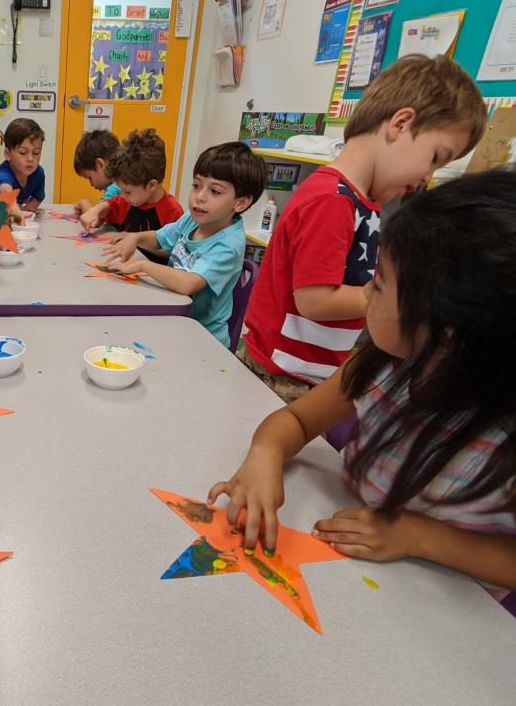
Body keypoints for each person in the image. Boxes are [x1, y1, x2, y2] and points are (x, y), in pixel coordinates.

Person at [209, 170, 516, 599]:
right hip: (344, 573)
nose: (365, 291)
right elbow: (296, 420)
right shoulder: (382, 364)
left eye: (380, 283)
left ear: (447, 330)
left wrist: (418, 536)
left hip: (433, 612)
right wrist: (266, 452)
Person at [239, 55, 486, 402]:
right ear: (400, 124)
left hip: (308, 370)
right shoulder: (333, 199)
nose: (428, 177)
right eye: (435, 157)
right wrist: (396, 298)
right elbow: (314, 301)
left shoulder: (360, 200)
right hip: (280, 375)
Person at [103, 142, 267, 349]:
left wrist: (143, 266)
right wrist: (134, 238)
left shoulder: (228, 244)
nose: (200, 196)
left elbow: (189, 283)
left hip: (203, 338)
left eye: (215, 191)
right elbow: (160, 238)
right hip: (174, 317)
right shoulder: (193, 218)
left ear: (241, 203)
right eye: (197, 185)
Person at [79, 128, 183, 235]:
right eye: (122, 190)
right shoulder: (128, 201)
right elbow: (109, 206)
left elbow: (171, 249)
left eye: (127, 191)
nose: (122, 196)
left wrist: (135, 240)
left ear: (151, 185)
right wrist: (94, 211)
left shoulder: (173, 212)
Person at [0, 118, 46, 211]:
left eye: (36, 153)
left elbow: (38, 198)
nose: (30, 159)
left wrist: (26, 211)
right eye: (22, 152)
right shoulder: (3, 173)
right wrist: (16, 212)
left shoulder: (38, 173)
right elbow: (6, 191)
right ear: (8, 154)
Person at [72, 129, 122, 216]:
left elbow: (97, 216)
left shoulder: (117, 186)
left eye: (89, 178)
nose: (91, 184)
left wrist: (85, 204)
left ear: (100, 165)